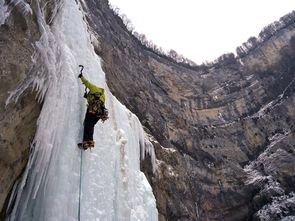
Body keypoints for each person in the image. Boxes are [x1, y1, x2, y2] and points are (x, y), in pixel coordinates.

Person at [78, 65, 108, 149]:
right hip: (100, 112)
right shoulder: (101, 95)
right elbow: (92, 100)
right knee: (91, 125)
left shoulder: (94, 89)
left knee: (88, 123)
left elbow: (87, 83)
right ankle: (89, 142)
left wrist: (81, 77)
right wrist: (86, 97)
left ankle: (88, 141)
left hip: (94, 110)